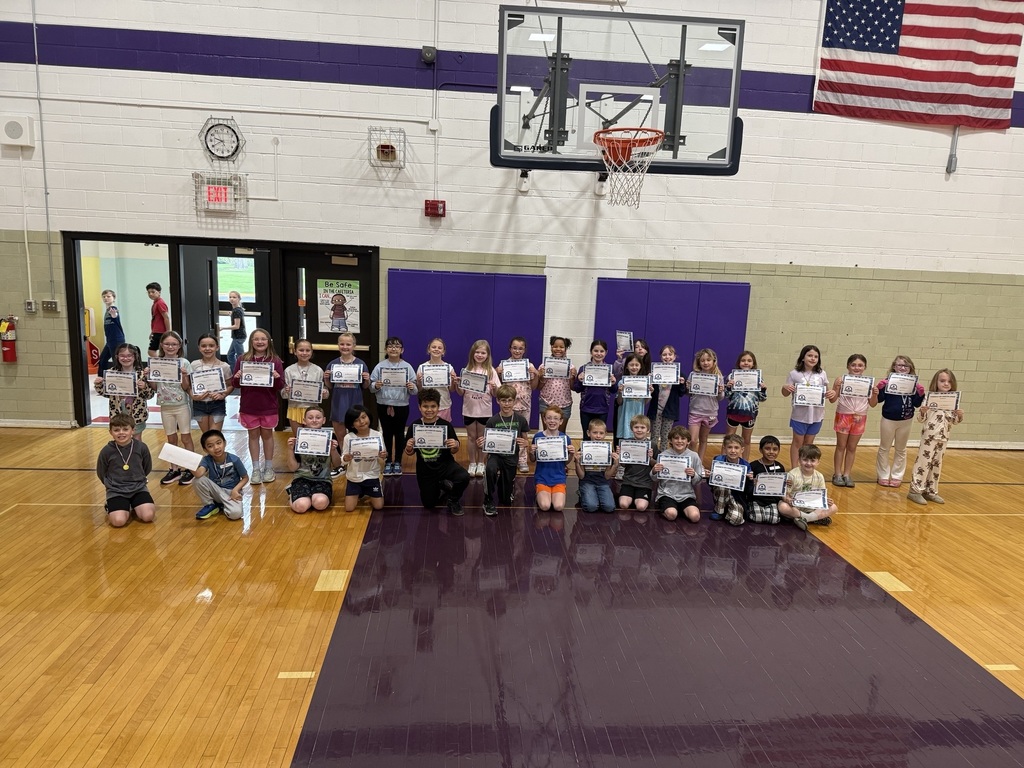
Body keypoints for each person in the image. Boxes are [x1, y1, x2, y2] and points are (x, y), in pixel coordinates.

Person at [404, 388, 470, 515]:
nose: (429, 410)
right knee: (429, 504)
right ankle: (442, 485)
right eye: (425, 406)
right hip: (425, 470)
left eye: (433, 406)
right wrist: (408, 447)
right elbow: (409, 453)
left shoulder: (446, 425)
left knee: (464, 477)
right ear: (419, 407)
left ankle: (453, 500)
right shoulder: (414, 426)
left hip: (445, 465)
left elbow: (454, 449)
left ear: (438, 407)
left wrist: (455, 445)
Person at [232, 328, 285, 484]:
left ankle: (268, 467)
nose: (260, 342)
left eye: (263, 339)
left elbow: (280, 386)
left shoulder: (275, 361)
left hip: (268, 405)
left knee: (268, 437)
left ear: (268, 341)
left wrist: (276, 378)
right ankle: (255, 469)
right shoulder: (243, 359)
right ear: (251, 341)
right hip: (249, 406)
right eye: (256, 339)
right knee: (253, 436)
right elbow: (235, 384)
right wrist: (237, 377)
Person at [907, 369, 964, 505]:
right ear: (936, 382)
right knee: (923, 463)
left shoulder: (953, 399)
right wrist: (923, 411)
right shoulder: (929, 397)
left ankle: (931, 490)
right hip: (929, 437)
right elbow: (921, 419)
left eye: (949, 381)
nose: (946, 384)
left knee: (936, 464)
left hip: (943, 437)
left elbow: (954, 421)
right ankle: (915, 490)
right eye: (942, 381)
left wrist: (960, 415)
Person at [781, 344, 837, 470]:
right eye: (810, 355)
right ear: (803, 357)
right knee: (797, 443)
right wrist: (785, 388)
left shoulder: (822, 373)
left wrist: (832, 392)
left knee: (808, 444)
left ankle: (806, 468)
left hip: (817, 415)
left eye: (816, 356)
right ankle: (795, 469)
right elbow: (785, 393)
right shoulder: (794, 374)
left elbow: (828, 394)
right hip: (799, 415)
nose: (813, 358)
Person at [477, 385, 530, 517]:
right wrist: (481, 444)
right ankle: (488, 500)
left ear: (514, 401)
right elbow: (485, 443)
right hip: (495, 455)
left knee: (505, 500)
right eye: (503, 400)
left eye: (509, 400)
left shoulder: (520, 420)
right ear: (498, 401)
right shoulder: (492, 421)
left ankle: (505, 488)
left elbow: (525, 440)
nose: (506, 404)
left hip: (511, 457)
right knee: (490, 468)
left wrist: (525, 443)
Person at [323, 332, 370, 478]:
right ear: (338, 345)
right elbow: (329, 386)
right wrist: (326, 379)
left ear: (354, 346)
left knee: (357, 433)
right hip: (338, 401)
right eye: (342, 344)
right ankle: (344, 464)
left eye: (348, 344)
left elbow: (366, 386)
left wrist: (367, 379)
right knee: (341, 434)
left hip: (354, 401)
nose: (345, 347)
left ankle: (358, 463)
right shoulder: (333, 364)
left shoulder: (361, 364)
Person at [875, 354, 926, 488]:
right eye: (899, 365)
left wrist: (920, 394)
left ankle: (897, 476)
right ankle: (883, 475)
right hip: (888, 419)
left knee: (901, 449)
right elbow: (880, 399)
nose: (903, 368)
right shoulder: (888, 381)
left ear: (910, 368)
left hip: (906, 420)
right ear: (894, 367)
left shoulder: (913, 384)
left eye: (906, 365)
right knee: (884, 448)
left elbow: (916, 404)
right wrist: (880, 388)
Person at [152, 331, 196, 487]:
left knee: (186, 437)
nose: (170, 347)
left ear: (179, 346)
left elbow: (186, 387)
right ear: (162, 345)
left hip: (181, 405)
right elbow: (153, 386)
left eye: (174, 344)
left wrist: (184, 376)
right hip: (165, 406)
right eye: (167, 344)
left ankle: (190, 469)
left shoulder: (184, 363)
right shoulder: (156, 362)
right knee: (171, 439)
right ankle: (174, 469)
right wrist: (149, 376)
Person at [96, 413, 155, 528]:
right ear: (111, 432)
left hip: (138, 488)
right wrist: (112, 485)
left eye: (125, 429)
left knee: (148, 516)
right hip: (116, 490)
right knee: (118, 522)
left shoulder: (141, 447)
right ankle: (111, 505)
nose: (121, 433)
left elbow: (147, 467)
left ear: (132, 430)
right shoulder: (106, 451)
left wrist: (138, 480)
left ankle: (133, 505)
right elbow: (101, 472)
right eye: (116, 430)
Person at [370, 336, 417, 477]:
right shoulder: (380, 366)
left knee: (399, 433)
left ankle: (397, 461)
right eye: (390, 346)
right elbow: (371, 388)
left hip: (401, 405)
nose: (393, 348)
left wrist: (411, 386)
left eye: (397, 346)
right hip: (383, 404)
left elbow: (415, 390)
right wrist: (376, 385)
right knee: (387, 433)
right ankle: (388, 461)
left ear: (402, 350)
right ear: (386, 349)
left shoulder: (407, 366)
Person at [830, 353, 878, 487]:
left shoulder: (869, 383)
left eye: (860, 365)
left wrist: (875, 394)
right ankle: (837, 474)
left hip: (860, 416)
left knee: (852, 447)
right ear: (848, 366)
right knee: (841, 446)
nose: (857, 368)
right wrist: (836, 387)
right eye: (854, 365)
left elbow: (873, 404)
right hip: (844, 415)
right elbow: (832, 399)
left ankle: (847, 474)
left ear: (865, 367)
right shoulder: (841, 379)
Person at [286, 405, 342, 513]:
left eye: (318, 417)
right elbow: (293, 468)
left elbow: (338, 465)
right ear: (304, 420)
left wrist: (333, 451)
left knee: (320, 504)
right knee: (301, 507)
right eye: (310, 418)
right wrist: (289, 449)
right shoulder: (299, 438)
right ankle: (293, 493)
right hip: (301, 479)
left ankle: (310, 496)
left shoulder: (331, 437)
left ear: (324, 420)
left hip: (323, 480)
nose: (314, 420)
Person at [456, 339, 500, 477]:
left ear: (487, 355)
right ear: (472, 353)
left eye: (483, 352)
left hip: (484, 410)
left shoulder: (491, 371)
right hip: (469, 409)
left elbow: (495, 394)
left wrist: (493, 388)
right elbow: (461, 393)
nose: (480, 355)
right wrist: (458, 384)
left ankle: (481, 463)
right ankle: (472, 462)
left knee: (482, 437)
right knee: (471, 437)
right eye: (477, 352)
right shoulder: (467, 370)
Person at [93, 342, 154, 436]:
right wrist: (99, 384)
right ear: (117, 356)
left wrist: (144, 387)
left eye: (129, 355)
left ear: (135, 357)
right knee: (120, 438)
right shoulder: (111, 373)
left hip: (137, 414)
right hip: (117, 413)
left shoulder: (142, 374)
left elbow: (150, 395)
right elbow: (106, 393)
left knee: (137, 439)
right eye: (122, 356)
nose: (126, 358)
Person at [496, 336, 538, 474]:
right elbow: (499, 385)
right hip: (509, 405)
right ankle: (506, 458)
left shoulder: (529, 366)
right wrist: (498, 374)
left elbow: (533, 386)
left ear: (524, 350)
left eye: (520, 348)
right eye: (514, 348)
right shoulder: (503, 365)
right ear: (510, 349)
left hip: (525, 404)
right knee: (508, 431)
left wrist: (536, 375)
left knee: (523, 433)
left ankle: (522, 460)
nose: (517, 351)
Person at [192, 428, 248, 520]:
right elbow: (199, 474)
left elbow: (245, 478)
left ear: (224, 443)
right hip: (216, 491)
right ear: (205, 450)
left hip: (231, 493)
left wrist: (235, 490)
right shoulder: (206, 460)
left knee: (236, 514)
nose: (216, 447)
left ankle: (222, 505)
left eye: (219, 443)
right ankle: (210, 505)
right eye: (210, 446)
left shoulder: (234, 459)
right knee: (197, 480)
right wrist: (187, 464)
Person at [779, 444, 838, 530]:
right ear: (799, 460)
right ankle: (813, 518)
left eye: (813, 460)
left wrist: (826, 500)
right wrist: (788, 499)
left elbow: (821, 496)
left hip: (812, 507)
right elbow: (785, 494)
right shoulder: (792, 474)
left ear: (818, 462)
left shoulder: (819, 476)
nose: (809, 463)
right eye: (805, 460)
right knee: (782, 506)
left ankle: (804, 518)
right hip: (795, 507)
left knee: (834, 507)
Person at [341, 405, 388, 513]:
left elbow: (383, 456)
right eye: (356, 420)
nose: (361, 422)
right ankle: (360, 492)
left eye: (363, 417)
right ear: (352, 424)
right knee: (349, 508)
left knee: (379, 506)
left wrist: (383, 455)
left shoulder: (377, 435)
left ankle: (369, 491)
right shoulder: (349, 437)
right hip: (354, 477)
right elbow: (343, 460)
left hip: (372, 476)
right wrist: (346, 458)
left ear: (369, 417)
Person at [529, 405, 576, 513]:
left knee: (558, 507)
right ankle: (540, 493)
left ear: (561, 421)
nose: (552, 421)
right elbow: (532, 459)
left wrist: (571, 454)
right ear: (544, 420)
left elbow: (566, 462)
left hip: (558, 478)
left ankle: (554, 492)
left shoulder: (565, 438)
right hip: (542, 478)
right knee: (545, 506)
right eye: (549, 418)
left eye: (555, 418)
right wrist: (531, 452)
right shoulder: (538, 437)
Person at [652, 426, 703, 523]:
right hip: (667, 494)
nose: (679, 441)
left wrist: (693, 475)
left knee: (695, 517)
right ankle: (667, 508)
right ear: (670, 441)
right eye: (676, 438)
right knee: (672, 515)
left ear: (688, 441)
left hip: (686, 495)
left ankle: (680, 508)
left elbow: (698, 480)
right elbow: (654, 479)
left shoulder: (694, 456)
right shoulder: (663, 456)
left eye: (683, 438)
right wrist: (654, 471)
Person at [724, 350, 767, 461]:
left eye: (749, 360)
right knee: (728, 439)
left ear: (753, 363)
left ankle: (746, 464)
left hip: (749, 414)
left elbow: (763, 399)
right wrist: (728, 387)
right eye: (743, 360)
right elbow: (727, 396)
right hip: (733, 412)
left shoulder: (758, 378)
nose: (746, 363)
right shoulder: (732, 377)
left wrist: (763, 389)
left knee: (746, 440)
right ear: (739, 363)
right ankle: (723, 462)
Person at [687, 348, 726, 465]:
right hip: (695, 411)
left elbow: (720, 398)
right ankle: (691, 463)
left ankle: (699, 463)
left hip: (710, 413)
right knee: (693, 441)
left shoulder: (718, 377)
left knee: (703, 439)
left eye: (708, 360)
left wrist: (720, 391)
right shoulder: (693, 375)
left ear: (714, 361)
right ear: (699, 362)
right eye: (702, 360)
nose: (705, 362)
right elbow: (688, 393)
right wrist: (688, 388)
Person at [190, 332, 234, 435]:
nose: (207, 348)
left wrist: (223, 395)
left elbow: (231, 385)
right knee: (206, 437)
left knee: (214, 435)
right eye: (204, 346)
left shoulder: (224, 366)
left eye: (211, 345)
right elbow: (189, 386)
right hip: (199, 404)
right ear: (199, 348)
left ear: (217, 347)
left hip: (217, 404)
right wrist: (194, 396)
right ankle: (208, 452)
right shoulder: (194, 365)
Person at [646, 344, 686, 455]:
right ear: (660, 357)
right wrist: (649, 380)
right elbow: (649, 391)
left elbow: (682, 393)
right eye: (664, 354)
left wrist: (682, 384)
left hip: (669, 411)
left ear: (674, 356)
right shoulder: (655, 372)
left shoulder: (679, 374)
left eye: (670, 354)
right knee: (654, 436)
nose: (667, 357)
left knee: (666, 436)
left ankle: (663, 458)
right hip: (656, 410)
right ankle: (652, 458)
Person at [573, 339, 617, 436]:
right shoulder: (583, 368)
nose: (598, 353)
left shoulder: (610, 369)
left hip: (602, 408)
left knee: (599, 436)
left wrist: (613, 383)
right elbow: (577, 389)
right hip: (586, 408)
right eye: (596, 351)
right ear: (591, 352)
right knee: (586, 435)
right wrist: (580, 381)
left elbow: (614, 391)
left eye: (602, 351)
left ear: (606, 352)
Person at [282, 338, 327, 435]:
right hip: (294, 408)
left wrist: (324, 392)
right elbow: (283, 394)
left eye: (307, 350)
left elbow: (326, 392)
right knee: (298, 438)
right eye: (301, 350)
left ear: (311, 352)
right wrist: (287, 391)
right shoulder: (289, 370)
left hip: (313, 409)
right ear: (295, 352)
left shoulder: (318, 370)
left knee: (313, 437)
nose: (304, 353)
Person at [574, 418, 617, 513]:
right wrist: (577, 462)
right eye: (595, 432)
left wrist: (615, 464)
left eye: (601, 433)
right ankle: (582, 492)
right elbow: (581, 476)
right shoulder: (583, 450)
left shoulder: (608, 451)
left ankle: (592, 495)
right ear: (588, 433)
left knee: (609, 507)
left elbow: (607, 476)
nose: (598, 436)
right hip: (587, 481)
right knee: (591, 507)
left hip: (603, 482)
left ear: (605, 434)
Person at [535, 336, 576, 433]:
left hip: (564, 404)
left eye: (561, 347)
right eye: (555, 346)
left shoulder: (571, 367)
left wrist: (572, 377)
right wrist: (541, 376)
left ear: (565, 349)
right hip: (546, 403)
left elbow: (573, 387)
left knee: (561, 434)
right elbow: (538, 387)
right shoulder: (543, 366)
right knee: (547, 433)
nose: (558, 349)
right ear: (551, 347)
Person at [709, 434, 752, 526]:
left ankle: (728, 509)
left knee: (736, 520)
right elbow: (712, 485)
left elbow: (748, 490)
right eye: (730, 447)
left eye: (736, 448)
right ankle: (719, 510)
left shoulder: (746, 465)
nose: (733, 451)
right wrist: (710, 476)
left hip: (736, 497)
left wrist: (749, 480)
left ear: (742, 450)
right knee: (722, 486)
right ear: (724, 449)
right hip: (721, 492)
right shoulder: (718, 460)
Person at [747, 435, 788, 525]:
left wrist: (786, 484)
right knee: (758, 518)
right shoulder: (753, 465)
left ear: (779, 451)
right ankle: (749, 509)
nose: (771, 452)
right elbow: (747, 487)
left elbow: (782, 489)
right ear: (761, 450)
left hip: (772, 500)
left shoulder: (780, 467)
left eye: (775, 449)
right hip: (756, 499)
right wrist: (752, 483)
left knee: (773, 520)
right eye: (767, 449)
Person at [617, 414, 655, 512]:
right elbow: (623, 465)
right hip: (628, 481)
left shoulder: (652, 445)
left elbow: (657, 465)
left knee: (641, 507)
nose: (639, 430)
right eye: (636, 427)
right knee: (623, 504)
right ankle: (630, 496)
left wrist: (650, 458)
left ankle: (639, 498)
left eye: (642, 427)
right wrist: (620, 456)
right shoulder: (626, 443)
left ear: (648, 430)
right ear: (631, 429)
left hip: (644, 483)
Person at [415, 337, 458, 422]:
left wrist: (454, 381)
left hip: (444, 404)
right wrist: (419, 381)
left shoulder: (449, 368)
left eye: (439, 348)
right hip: (427, 406)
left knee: (444, 431)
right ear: (429, 349)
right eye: (434, 347)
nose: (436, 349)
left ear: (443, 351)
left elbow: (451, 389)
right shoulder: (422, 367)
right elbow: (419, 390)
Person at [615, 352, 652, 445]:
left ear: (640, 366)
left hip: (638, 414)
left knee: (637, 440)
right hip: (625, 416)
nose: (634, 367)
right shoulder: (621, 382)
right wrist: (620, 392)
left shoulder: (645, 382)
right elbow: (619, 402)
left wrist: (649, 393)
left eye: (637, 365)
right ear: (627, 366)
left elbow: (645, 402)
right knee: (625, 442)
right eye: (631, 365)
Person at [97, 289, 125, 373]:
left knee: (116, 361)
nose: (106, 298)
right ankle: (101, 379)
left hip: (116, 339)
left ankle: (119, 378)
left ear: (114, 298)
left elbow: (115, 315)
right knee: (102, 359)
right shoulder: (107, 310)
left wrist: (114, 315)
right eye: (104, 297)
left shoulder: (113, 309)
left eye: (108, 296)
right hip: (110, 340)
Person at [146, 281, 171, 357]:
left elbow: (166, 317)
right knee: (158, 350)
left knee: (152, 351)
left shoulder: (160, 303)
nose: (150, 294)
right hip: (157, 331)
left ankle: (161, 364)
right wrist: (152, 331)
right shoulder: (155, 303)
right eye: (149, 292)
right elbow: (155, 319)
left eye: (153, 292)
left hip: (161, 332)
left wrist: (168, 332)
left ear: (159, 292)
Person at [223, 290, 246, 371]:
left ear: (239, 299)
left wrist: (222, 328)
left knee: (240, 356)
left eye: (234, 297)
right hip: (238, 336)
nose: (231, 299)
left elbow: (236, 326)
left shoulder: (236, 311)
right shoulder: (238, 309)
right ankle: (235, 371)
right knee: (230, 355)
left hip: (238, 337)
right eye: (230, 297)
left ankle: (240, 372)